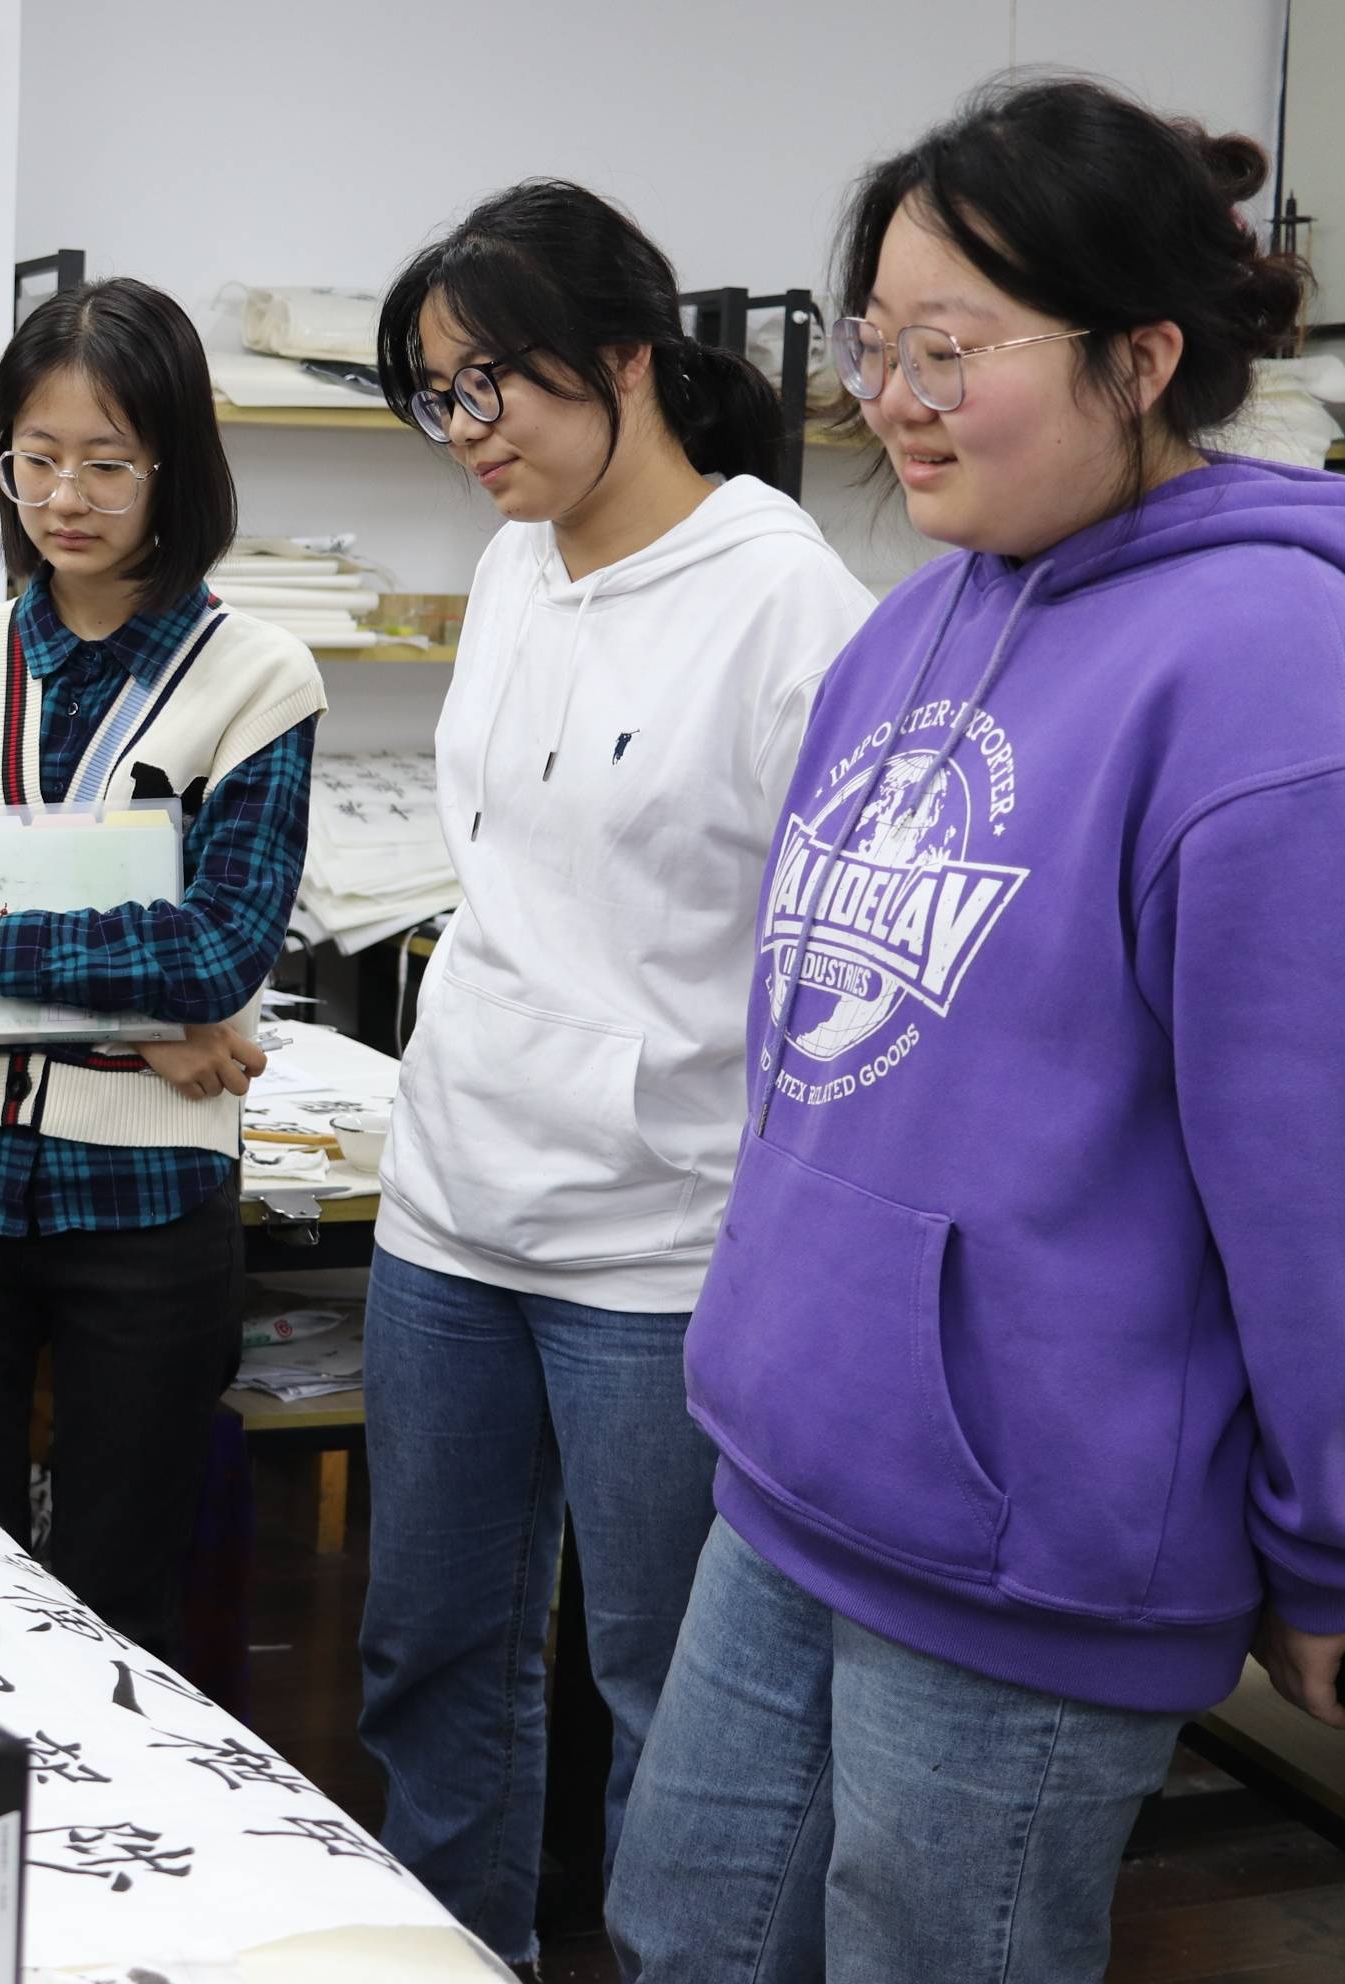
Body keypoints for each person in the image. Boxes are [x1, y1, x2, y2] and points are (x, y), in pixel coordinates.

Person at [611, 78, 1345, 1982]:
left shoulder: (1275, 676)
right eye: (877, 345)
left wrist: (1327, 1540)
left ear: (1142, 357)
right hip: (792, 1464)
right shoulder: (914, 620)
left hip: (1033, 1543)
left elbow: (1311, 1177)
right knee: (677, 1929)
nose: (893, 397)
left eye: (952, 347)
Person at [351, 182, 876, 1968]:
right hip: (447, 1213)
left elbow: (829, 981)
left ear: (630, 354)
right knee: (432, 1655)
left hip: (659, 1245)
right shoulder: (511, 560)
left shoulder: (790, 605)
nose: (466, 429)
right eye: (437, 392)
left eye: (494, 378)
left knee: (672, 1690)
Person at [0, 276, 324, 1659]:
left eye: (107, 460)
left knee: (127, 1600)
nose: (66, 494)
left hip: (149, 1205)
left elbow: (222, 946)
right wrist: (137, 1023)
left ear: (174, 462)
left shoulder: (258, 680)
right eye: (35, 459)